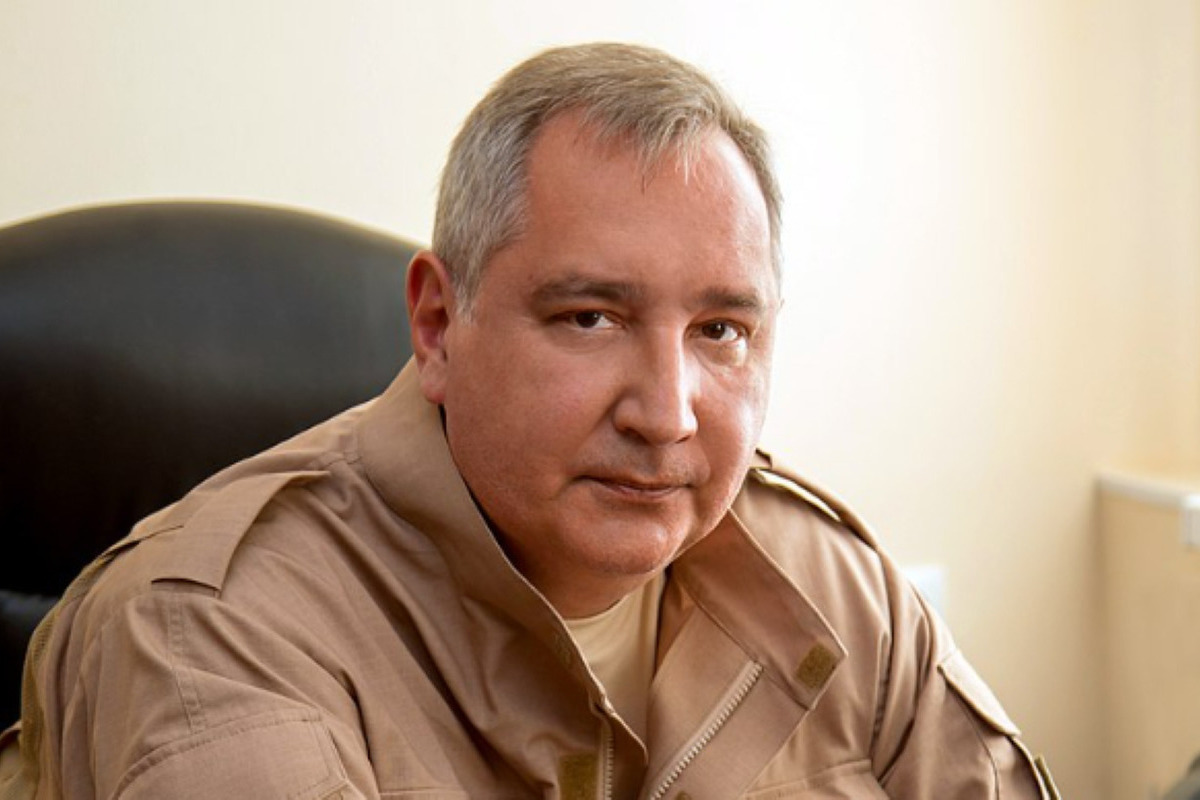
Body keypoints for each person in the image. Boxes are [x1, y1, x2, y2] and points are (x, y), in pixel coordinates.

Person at [0, 43, 1059, 799]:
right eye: (590, 317)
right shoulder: (205, 634)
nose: (667, 414)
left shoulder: (838, 592)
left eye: (721, 331)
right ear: (438, 324)